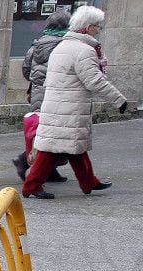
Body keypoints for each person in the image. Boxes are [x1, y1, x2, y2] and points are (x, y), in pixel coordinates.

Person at [22, 6, 128, 199]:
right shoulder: (83, 50)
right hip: (69, 108)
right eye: (97, 26)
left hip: (59, 105)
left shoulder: (62, 46)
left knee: (75, 148)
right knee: (50, 151)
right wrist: (119, 100)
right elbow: (95, 80)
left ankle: (89, 182)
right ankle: (31, 186)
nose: (98, 30)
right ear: (88, 27)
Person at [15, 10, 70, 182]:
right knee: (52, 136)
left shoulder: (37, 44)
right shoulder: (64, 46)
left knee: (44, 133)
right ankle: (25, 162)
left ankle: (48, 170)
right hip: (57, 96)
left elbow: (26, 69)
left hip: (39, 93)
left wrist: (37, 82)